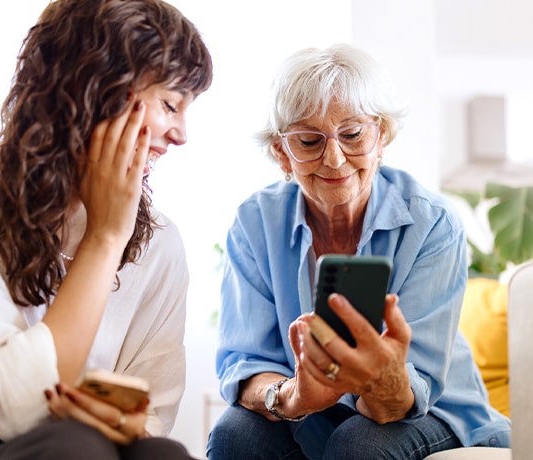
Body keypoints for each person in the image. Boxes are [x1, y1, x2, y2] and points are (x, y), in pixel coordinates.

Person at [0, 0, 212, 458]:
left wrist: (128, 422)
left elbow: (153, 415)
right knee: (74, 447)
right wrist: (105, 238)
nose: (182, 134)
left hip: (95, 446)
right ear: (97, 89)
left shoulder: (161, 242)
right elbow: (17, 410)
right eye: (170, 104)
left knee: (161, 455)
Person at [206, 44, 510, 460]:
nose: (334, 158)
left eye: (352, 134)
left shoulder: (432, 222)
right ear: (282, 153)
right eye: (309, 141)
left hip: (429, 408)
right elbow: (245, 361)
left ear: (381, 135)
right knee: (234, 435)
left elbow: (404, 397)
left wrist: (377, 381)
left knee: (357, 443)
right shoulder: (255, 222)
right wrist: (292, 396)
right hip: (311, 411)